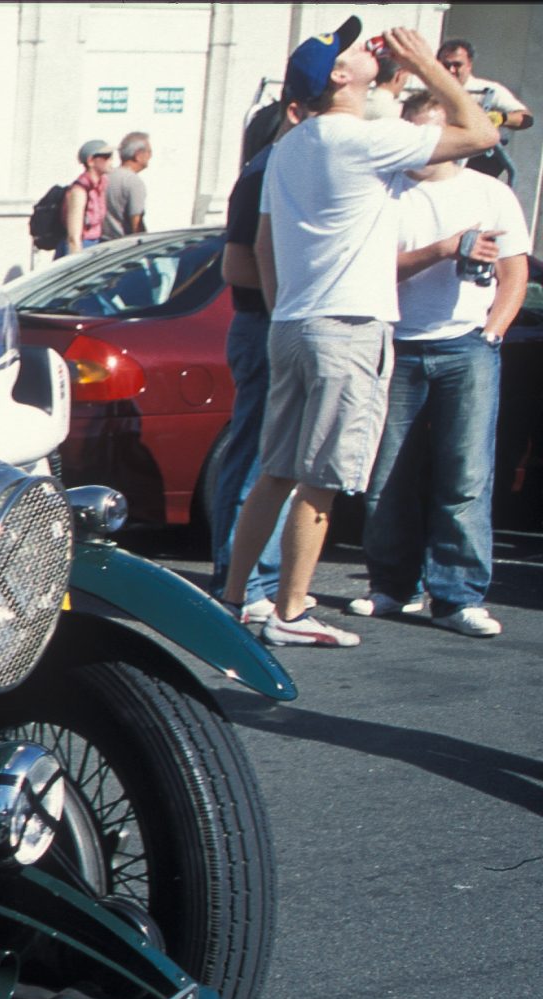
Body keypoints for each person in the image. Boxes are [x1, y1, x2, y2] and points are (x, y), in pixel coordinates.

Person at [215, 21, 498, 649]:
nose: (362, 51)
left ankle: (237, 599)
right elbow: (481, 132)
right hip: (347, 326)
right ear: (339, 79)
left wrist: (288, 302)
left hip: (292, 322)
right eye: (346, 53)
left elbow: (264, 244)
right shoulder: (365, 138)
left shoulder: (290, 145)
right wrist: (429, 65)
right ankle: (289, 611)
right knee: (321, 477)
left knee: (277, 471)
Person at [351, 90, 530, 638]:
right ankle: (390, 586)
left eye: (433, 134)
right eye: (415, 134)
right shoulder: (386, 193)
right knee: (387, 475)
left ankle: (457, 596)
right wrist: (444, 249)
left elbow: (516, 273)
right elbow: (376, 269)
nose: (424, 147)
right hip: (399, 343)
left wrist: (493, 332)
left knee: (466, 475)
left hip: (467, 346)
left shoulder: (490, 193)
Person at [208, 97, 311, 625]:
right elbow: (236, 265)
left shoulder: (276, 169)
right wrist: (291, 295)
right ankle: (241, 581)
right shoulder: (265, 172)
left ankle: (251, 579)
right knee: (256, 457)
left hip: (272, 322)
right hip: (263, 324)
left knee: (269, 458)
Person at [439, 38, 530, 184]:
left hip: (477, 162)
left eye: (457, 65)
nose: (451, 70)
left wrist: (500, 118)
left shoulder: (487, 90)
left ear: (469, 65)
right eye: (446, 65)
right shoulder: (428, 92)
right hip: (440, 159)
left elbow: (526, 118)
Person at [60, 140, 114, 258]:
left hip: (95, 245)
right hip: (80, 248)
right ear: (91, 161)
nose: (111, 161)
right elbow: (74, 237)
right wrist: (77, 263)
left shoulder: (101, 186)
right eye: (106, 157)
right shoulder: (79, 191)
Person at [104, 133, 152, 237]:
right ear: (138, 155)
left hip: (102, 244)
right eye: (149, 152)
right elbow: (136, 222)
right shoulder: (133, 181)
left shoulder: (106, 176)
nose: (150, 156)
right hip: (123, 245)